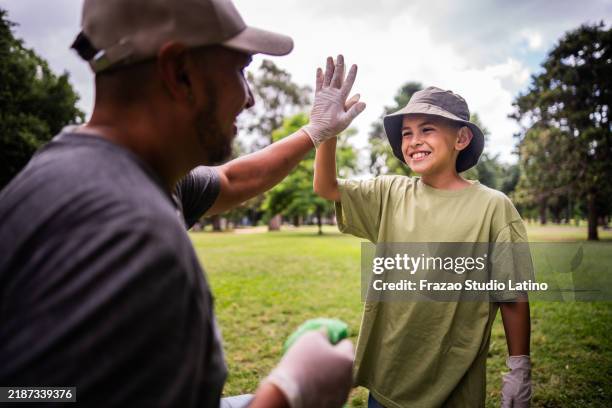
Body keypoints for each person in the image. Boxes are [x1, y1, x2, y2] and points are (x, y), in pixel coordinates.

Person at [0, 0, 366, 407]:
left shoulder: (97, 171)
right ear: (180, 73)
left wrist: (314, 132)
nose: (250, 100)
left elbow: (232, 179)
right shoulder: (128, 234)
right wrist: (289, 393)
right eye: (241, 70)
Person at [314, 85, 532, 407]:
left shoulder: (494, 208)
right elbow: (326, 186)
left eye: (427, 130)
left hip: (454, 387)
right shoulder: (389, 193)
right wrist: (326, 133)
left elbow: (512, 297)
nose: (414, 141)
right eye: (406, 133)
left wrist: (519, 369)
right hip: (387, 381)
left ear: (461, 139)